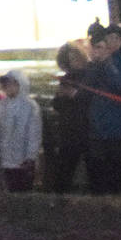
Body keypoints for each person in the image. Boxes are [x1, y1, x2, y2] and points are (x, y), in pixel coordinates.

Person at [82, 21, 121, 195]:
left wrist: (108, 65)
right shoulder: (95, 65)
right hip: (98, 132)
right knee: (100, 181)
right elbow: (84, 93)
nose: (112, 42)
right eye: (109, 38)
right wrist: (94, 64)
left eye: (117, 38)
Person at [0, 69, 42, 191]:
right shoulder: (0, 106)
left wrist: (30, 156)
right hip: (6, 159)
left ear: (19, 84)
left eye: (9, 83)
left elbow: (34, 133)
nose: (5, 86)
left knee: (23, 190)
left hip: (24, 161)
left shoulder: (30, 106)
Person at [46, 40, 93, 193]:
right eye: (70, 59)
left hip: (87, 128)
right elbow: (57, 105)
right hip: (68, 130)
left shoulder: (90, 75)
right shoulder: (66, 78)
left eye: (75, 58)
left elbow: (90, 99)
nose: (74, 62)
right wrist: (61, 96)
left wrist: (74, 95)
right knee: (64, 169)